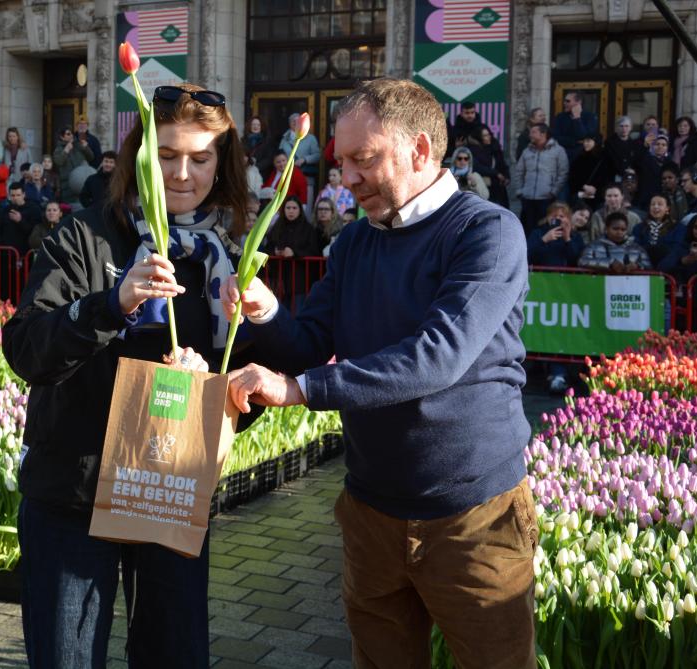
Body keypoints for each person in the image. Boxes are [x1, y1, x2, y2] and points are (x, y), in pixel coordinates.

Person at [223, 78, 536, 668]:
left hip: (473, 517)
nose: (345, 179)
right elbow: (310, 341)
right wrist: (264, 311)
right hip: (370, 512)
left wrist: (300, 391)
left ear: (419, 151)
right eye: (341, 162)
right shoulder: (353, 245)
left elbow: (437, 356)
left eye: (362, 160)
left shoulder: (486, 233)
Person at [3, 80, 255, 669]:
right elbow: (26, 349)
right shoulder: (84, 235)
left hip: (169, 489)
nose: (182, 174)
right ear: (141, 156)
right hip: (75, 492)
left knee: (174, 654)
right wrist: (109, 306)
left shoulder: (228, 255)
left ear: (223, 164)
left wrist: (209, 391)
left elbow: (248, 386)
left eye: (200, 157)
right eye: (166, 155)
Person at [525, 201, 585, 394]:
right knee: (547, 332)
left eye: (562, 216)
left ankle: (559, 373)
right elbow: (526, 253)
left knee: (563, 333)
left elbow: (577, 258)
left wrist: (567, 238)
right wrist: (544, 240)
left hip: (568, 292)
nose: (558, 219)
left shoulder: (575, 236)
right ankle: (551, 372)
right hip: (543, 291)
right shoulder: (538, 233)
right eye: (554, 215)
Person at [513, 122, 569, 235]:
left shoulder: (558, 151)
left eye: (533, 132)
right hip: (527, 197)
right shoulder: (526, 151)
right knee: (527, 229)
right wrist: (520, 190)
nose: (530, 135)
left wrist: (554, 191)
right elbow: (519, 172)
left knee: (544, 228)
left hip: (546, 198)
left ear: (543, 134)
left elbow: (563, 173)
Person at [579, 211, 652, 273]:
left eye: (623, 229)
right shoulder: (594, 246)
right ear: (606, 228)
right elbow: (582, 261)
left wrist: (637, 266)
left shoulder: (637, 248)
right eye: (615, 229)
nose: (619, 232)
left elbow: (649, 266)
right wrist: (609, 262)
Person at [634, 194, 683, 266]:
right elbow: (635, 247)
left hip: (668, 269)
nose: (655, 207)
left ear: (667, 208)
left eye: (660, 204)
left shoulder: (678, 228)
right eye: (653, 204)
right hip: (643, 268)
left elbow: (677, 250)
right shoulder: (639, 228)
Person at [279, 111, 321, 193]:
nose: (295, 123)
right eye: (293, 121)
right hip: (288, 178)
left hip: (305, 177)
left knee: (306, 204)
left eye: (297, 121)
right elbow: (279, 154)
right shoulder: (284, 139)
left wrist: (305, 159)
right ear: (289, 123)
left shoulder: (311, 138)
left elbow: (317, 155)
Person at [468, 126, 511, 207]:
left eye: (488, 134)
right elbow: (477, 167)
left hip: (498, 187)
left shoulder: (494, 148)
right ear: (479, 138)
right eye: (484, 135)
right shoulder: (474, 151)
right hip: (484, 186)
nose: (488, 137)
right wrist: (496, 173)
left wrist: (506, 176)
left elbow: (502, 164)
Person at [568, 134, 613, 210]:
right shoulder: (579, 157)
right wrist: (584, 186)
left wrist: (596, 190)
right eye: (584, 141)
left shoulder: (605, 158)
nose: (585, 143)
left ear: (596, 142)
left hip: (599, 197)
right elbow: (573, 177)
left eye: (588, 141)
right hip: (582, 195)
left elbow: (607, 177)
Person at [52, 126, 95, 203]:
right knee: (71, 208)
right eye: (68, 134)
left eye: (71, 133)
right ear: (62, 137)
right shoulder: (58, 149)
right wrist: (66, 150)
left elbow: (91, 157)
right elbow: (58, 162)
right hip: (68, 185)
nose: (71, 135)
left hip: (82, 182)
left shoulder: (78, 145)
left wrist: (86, 148)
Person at [552, 91, 598, 160]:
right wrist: (574, 141)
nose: (564, 103)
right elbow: (556, 137)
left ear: (578, 102)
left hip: (583, 156)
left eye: (568, 101)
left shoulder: (590, 117)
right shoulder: (560, 117)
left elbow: (584, 136)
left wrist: (577, 118)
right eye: (564, 101)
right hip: (563, 154)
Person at [636, 135, 677, 210]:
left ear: (667, 148)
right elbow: (638, 159)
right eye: (657, 144)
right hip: (647, 198)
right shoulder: (646, 159)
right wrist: (645, 145)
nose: (660, 146)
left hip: (664, 198)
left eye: (663, 145)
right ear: (653, 146)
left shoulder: (671, 163)